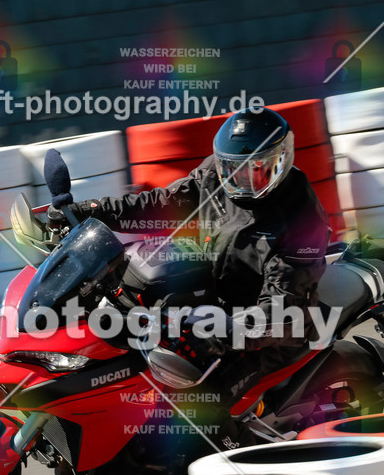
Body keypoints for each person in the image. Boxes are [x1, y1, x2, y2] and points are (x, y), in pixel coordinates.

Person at [53, 106, 332, 455]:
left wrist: (225, 332)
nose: (241, 180)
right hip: (213, 298)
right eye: (232, 169)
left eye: (255, 172)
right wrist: (89, 212)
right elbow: (162, 202)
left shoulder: (300, 220)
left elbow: (283, 311)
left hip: (269, 332)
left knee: (200, 407)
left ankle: (260, 466)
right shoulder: (217, 176)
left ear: (281, 161)